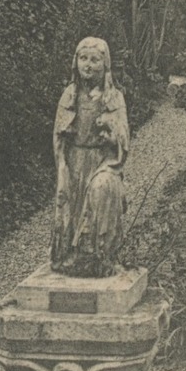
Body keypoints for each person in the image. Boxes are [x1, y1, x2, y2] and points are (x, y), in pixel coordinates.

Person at [50, 37, 130, 278]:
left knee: (100, 191)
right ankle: (68, 256)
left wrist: (111, 134)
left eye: (95, 60)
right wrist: (66, 133)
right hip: (74, 161)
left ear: (105, 65)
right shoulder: (70, 95)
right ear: (75, 62)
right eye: (83, 58)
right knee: (70, 211)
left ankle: (98, 256)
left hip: (101, 162)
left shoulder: (113, 97)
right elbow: (58, 132)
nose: (88, 65)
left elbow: (123, 135)